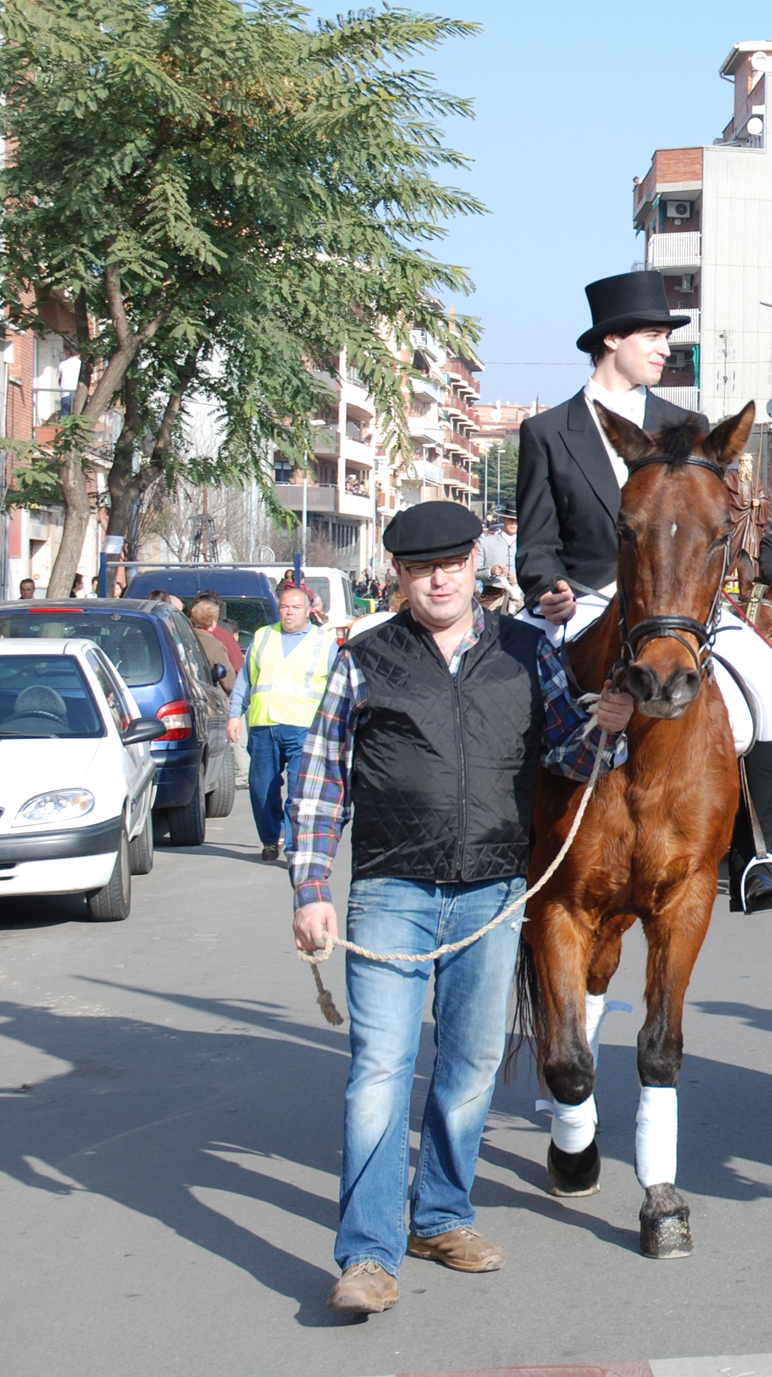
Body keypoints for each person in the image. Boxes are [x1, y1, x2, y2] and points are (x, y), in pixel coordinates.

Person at [288, 500, 633, 1318]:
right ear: (400, 574)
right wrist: (310, 889)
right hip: (390, 891)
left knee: (472, 1067)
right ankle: (368, 1254)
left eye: (451, 563)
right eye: (420, 568)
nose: (438, 580)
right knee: (380, 1070)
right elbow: (321, 775)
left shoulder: (527, 649)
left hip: (492, 891)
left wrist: (609, 726)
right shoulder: (363, 657)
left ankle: (440, 1215)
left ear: (477, 561)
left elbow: (567, 749)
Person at [514, 269, 772, 914]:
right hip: (584, 599)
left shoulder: (687, 425)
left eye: (666, 337)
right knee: (510, 698)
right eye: (652, 335)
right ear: (611, 340)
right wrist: (545, 586)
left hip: (681, 606)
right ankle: (514, 843)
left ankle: (756, 855)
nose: (665, 348)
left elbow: (707, 526)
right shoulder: (548, 432)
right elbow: (534, 542)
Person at [232, 581, 340, 864]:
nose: (289, 612)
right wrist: (234, 714)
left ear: (308, 610)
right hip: (263, 726)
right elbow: (245, 680)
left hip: (303, 727)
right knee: (261, 788)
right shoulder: (263, 636)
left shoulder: (324, 642)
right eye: (284, 607)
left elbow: (337, 688)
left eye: (296, 607)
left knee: (298, 791)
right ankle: (271, 838)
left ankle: (294, 847)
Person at [188, 593, 244, 692]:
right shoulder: (216, 645)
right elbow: (229, 682)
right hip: (211, 695)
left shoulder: (184, 636)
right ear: (214, 622)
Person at [477, 513, 517, 578]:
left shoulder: (527, 544)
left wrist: (520, 579)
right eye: (510, 519)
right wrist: (490, 571)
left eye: (516, 520)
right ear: (504, 519)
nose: (513, 523)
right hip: (493, 584)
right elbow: (474, 571)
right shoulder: (484, 542)